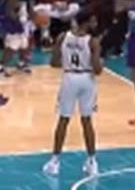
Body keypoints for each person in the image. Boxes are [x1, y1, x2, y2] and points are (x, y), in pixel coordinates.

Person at [42, 12, 102, 177]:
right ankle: (92, 162)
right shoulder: (93, 41)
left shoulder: (63, 37)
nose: (95, 24)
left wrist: (68, 62)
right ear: (86, 22)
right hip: (87, 79)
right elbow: (98, 69)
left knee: (63, 119)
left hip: (69, 78)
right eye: (93, 20)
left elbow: (53, 63)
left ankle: (54, 161)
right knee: (87, 120)